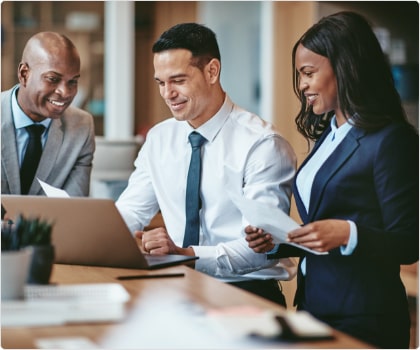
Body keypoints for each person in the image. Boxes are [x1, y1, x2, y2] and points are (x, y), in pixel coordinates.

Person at [245, 11, 418, 348]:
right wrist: (279, 241)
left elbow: (409, 242)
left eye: (309, 73)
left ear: (345, 68)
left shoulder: (390, 139)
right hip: (313, 308)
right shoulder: (331, 133)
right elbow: (324, 225)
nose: (303, 86)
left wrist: (347, 233)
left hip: (365, 318)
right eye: (299, 75)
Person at [116, 23, 297, 306]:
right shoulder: (159, 138)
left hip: (246, 295)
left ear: (212, 71)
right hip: (175, 289)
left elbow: (259, 250)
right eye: (161, 83)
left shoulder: (262, 144)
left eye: (178, 80)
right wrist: (97, 236)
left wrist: (184, 254)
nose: (167, 93)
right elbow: (130, 211)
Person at [1, 31, 95, 197]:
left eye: (72, 81)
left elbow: (74, 206)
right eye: (53, 79)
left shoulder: (81, 127)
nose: (65, 92)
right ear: (24, 74)